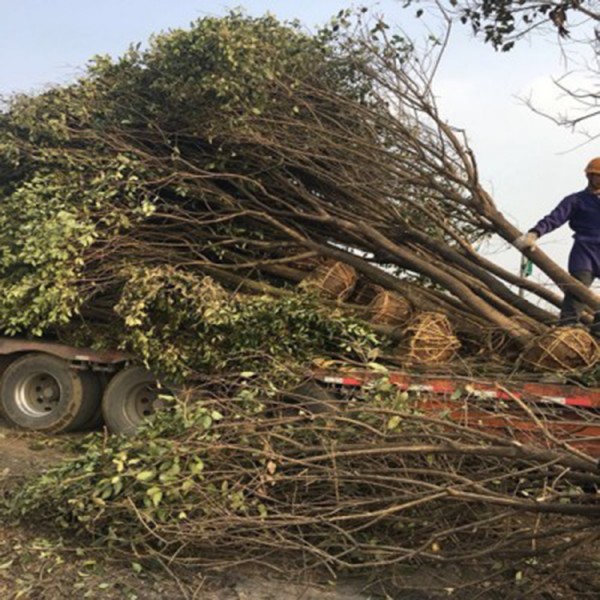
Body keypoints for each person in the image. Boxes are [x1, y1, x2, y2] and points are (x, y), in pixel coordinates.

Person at [514, 157, 600, 334]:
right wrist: (535, 233)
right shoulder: (576, 200)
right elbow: (554, 218)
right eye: (596, 176)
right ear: (589, 177)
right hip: (585, 253)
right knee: (577, 292)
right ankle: (566, 330)